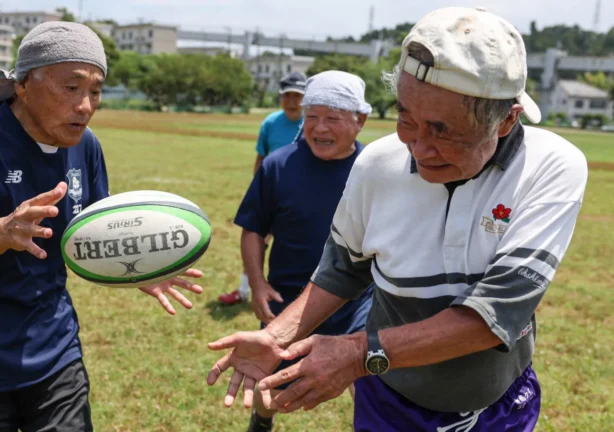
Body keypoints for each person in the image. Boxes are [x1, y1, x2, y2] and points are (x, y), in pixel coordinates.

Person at [206, 7, 588, 432]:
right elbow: (342, 268)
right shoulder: (377, 162)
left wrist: (355, 354)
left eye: (443, 131)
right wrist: (276, 337)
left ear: (506, 119)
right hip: (390, 403)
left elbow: (493, 314)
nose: (418, 148)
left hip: (497, 409)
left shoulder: (550, 165)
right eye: (406, 119)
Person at [0, 22, 203, 431]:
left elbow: (95, 232)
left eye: (95, 91)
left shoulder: (85, 145)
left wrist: (134, 263)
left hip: (55, 352)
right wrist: (1, 231)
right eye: (71, 88)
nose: (85, 105)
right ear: (25, 84)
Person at [233, 71, 374, 431]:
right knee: (271, 383)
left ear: (360, 120)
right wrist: (257, 282)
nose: (319, 128)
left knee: (370, 379)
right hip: (289, 298)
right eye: (312, 117)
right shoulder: (278, 166)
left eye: (332, 118)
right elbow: (253, 229)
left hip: (358, 300)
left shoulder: (374, 171)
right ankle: (261, 421)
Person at [219, 71, 306, 306]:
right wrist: (260, 191)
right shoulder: (270, 123)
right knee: (256, 240)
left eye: (297, 96)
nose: (291, 101)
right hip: (274, 195)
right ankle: (245, 290)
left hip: (303, 197)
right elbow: (262, 157)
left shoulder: (312, 122)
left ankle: (303, 298)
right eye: (286, 96)